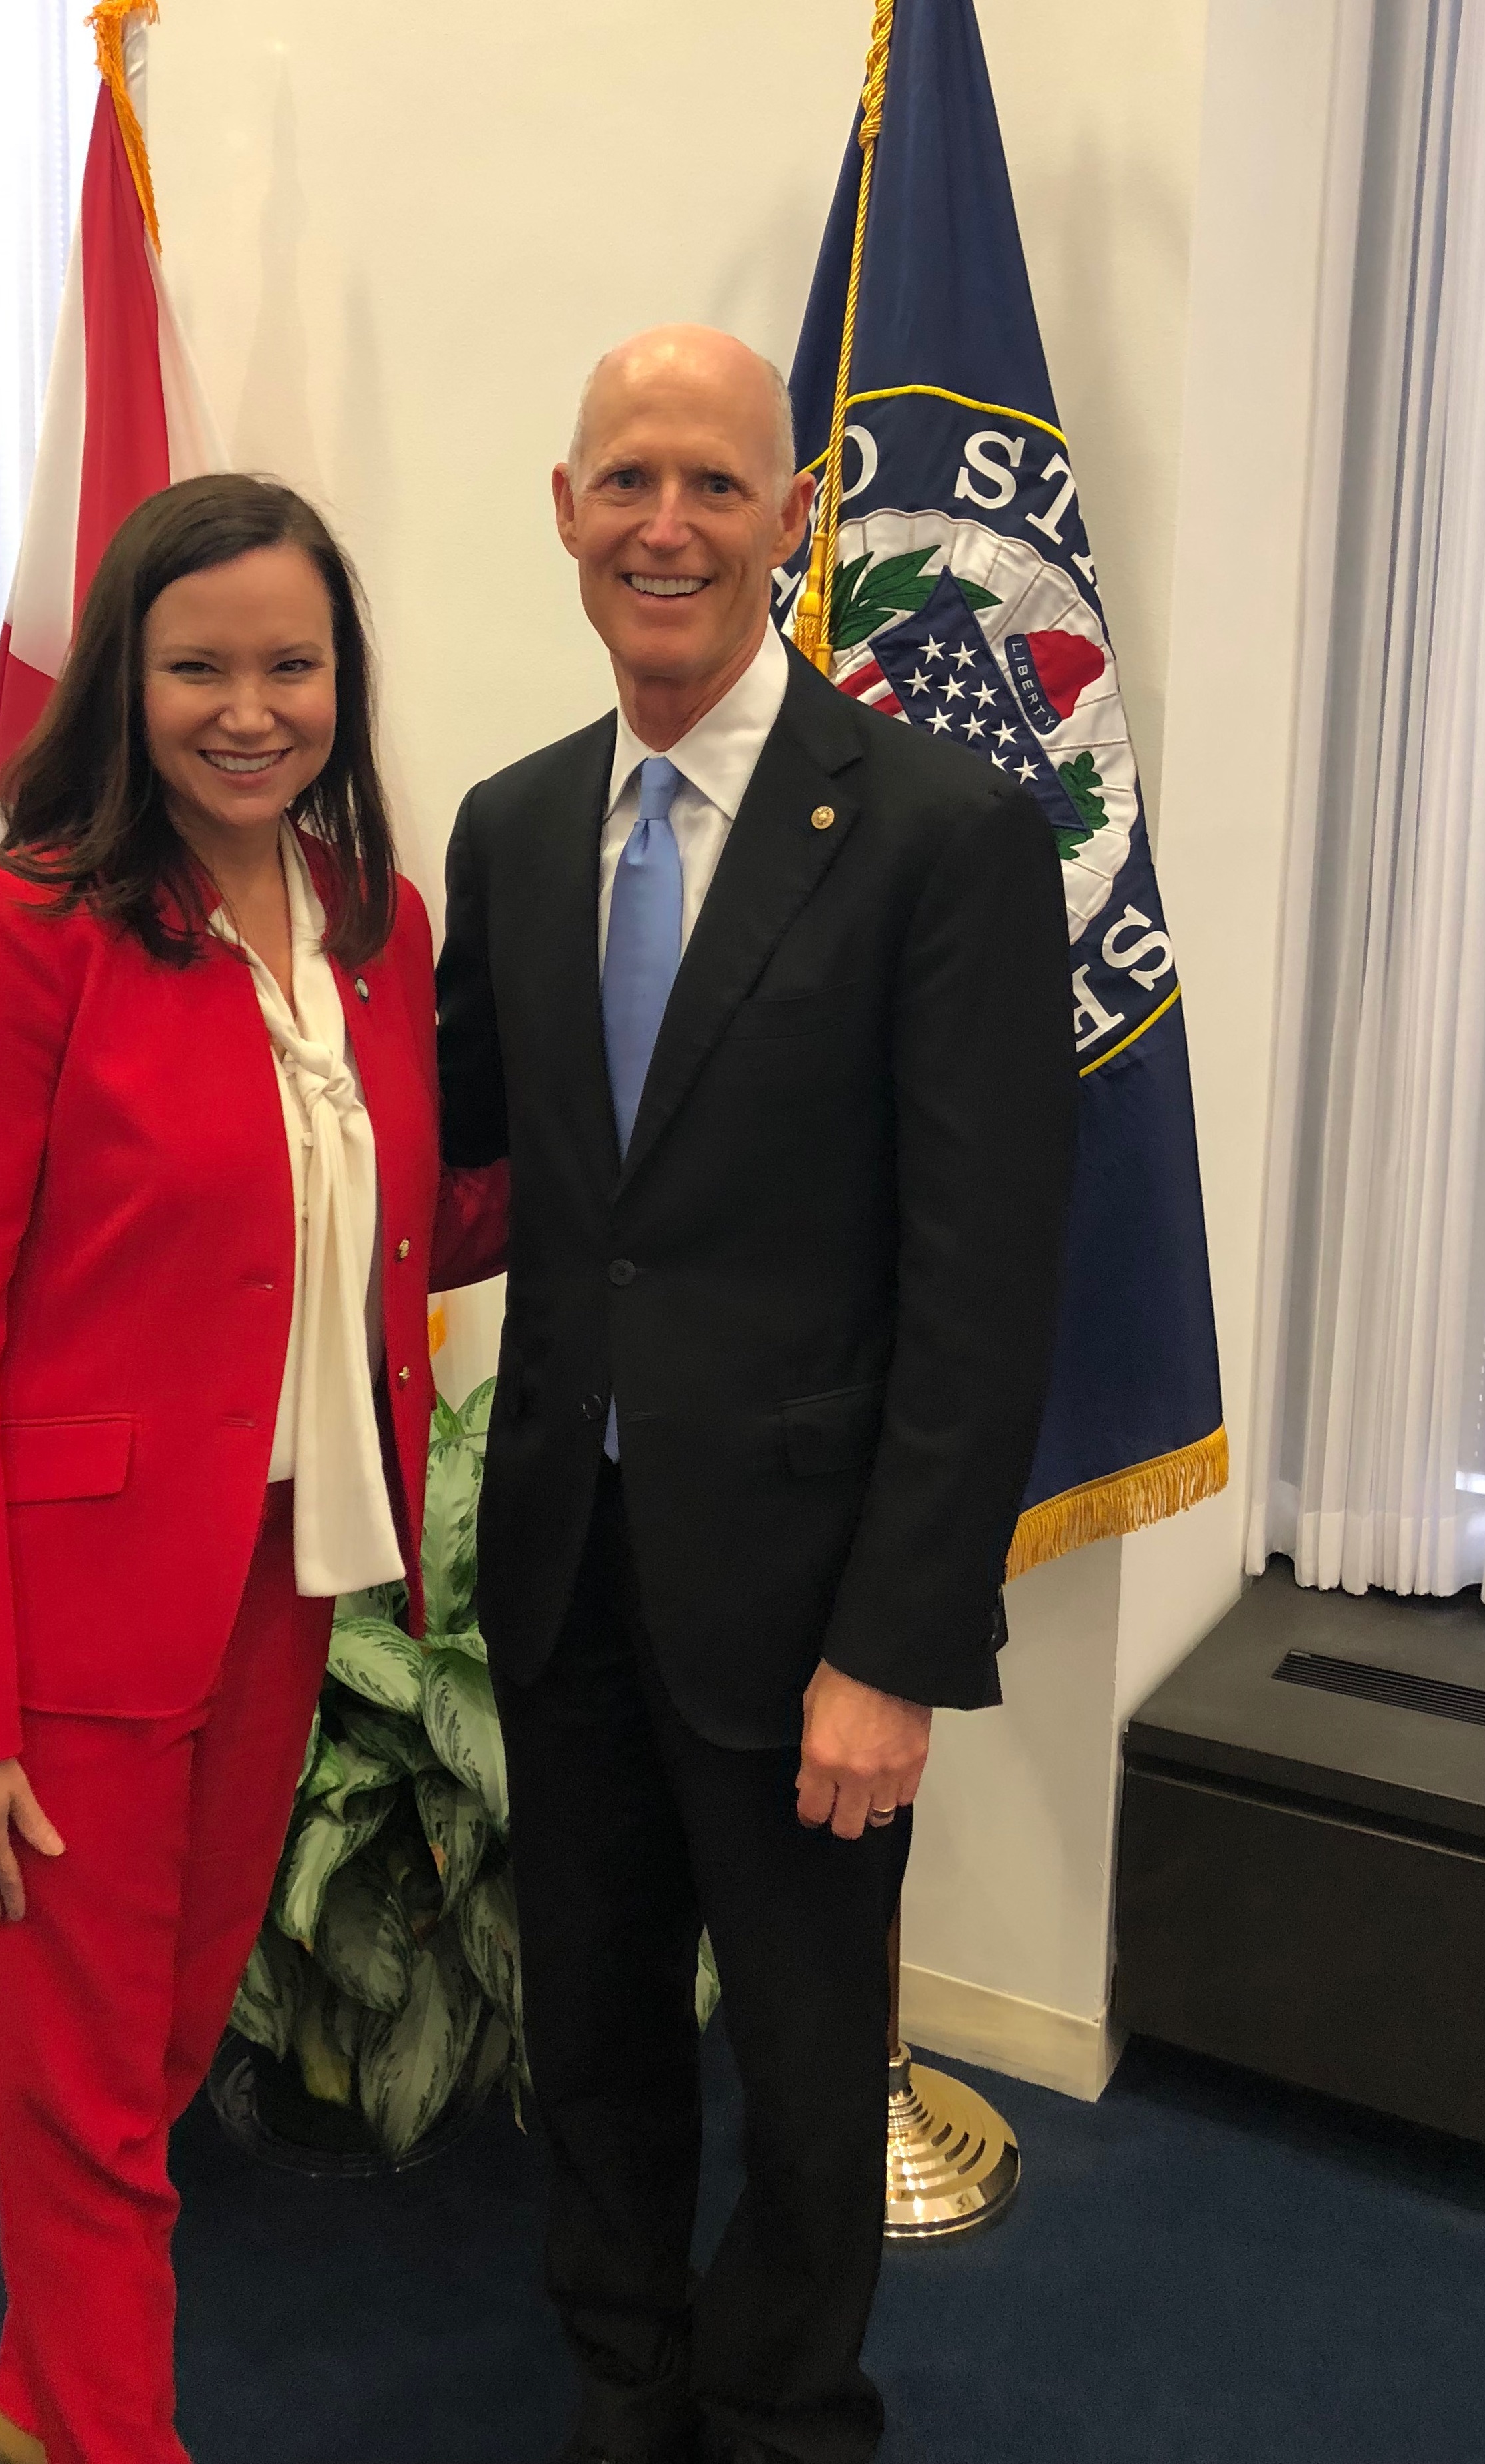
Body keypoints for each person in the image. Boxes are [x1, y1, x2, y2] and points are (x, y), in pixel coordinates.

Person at [436, 327, 1077, 2464]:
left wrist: (891, 1643)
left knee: (809, 2080)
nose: (666, 525)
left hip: (806, 1609)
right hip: (567, 1570)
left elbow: (978, 1291)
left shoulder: (937, 834)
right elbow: (453, 1155)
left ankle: (786, 2412)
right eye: (626, 480)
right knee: (597, 2033)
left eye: (713, 483)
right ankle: (622, 2379)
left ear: (790, 515)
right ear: (561, 507)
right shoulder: (513, 828)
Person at [0, 474, 505, 2464]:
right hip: (63, 1613)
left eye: (289, 663)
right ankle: (105, 2432)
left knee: (138, 2054)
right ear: (127, 681)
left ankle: (39, 2404)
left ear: (342, 680)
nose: (250, 706)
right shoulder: (30, 926)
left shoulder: (376, 928)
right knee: (76, 2096)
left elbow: (400, 1218)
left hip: (285, 1573)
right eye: (199, 663)